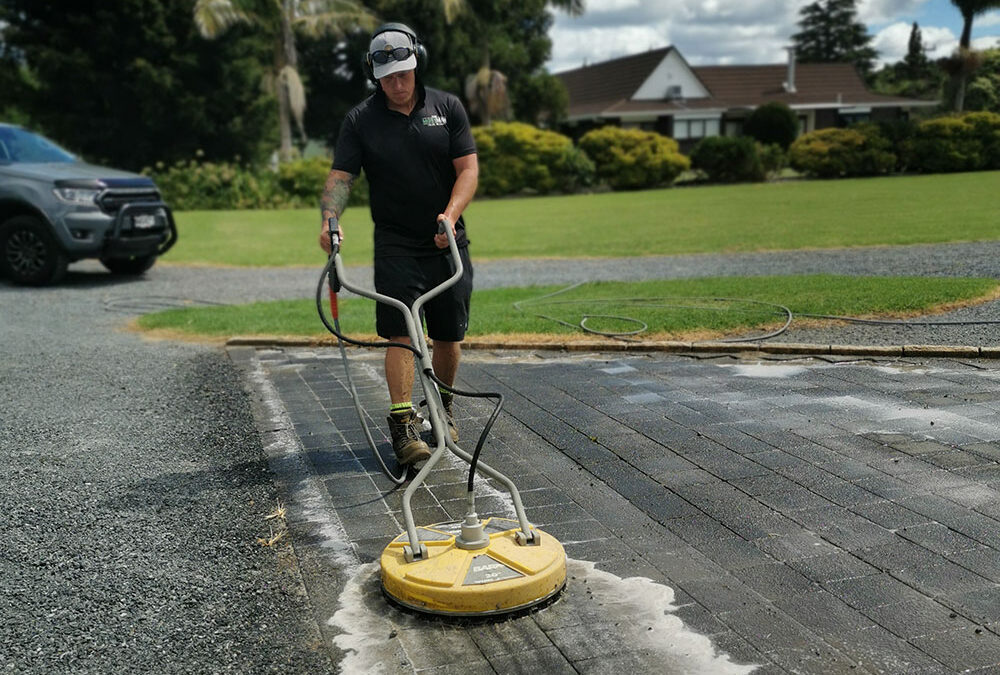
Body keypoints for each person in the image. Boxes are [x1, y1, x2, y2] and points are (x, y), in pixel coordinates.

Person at [318, 23, 478, 466]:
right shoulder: (360, 120)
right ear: (375, 75)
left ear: (417, 63)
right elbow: (341, 179)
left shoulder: (447, 107)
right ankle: (404, 424)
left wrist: (450, 213)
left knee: (449, 333)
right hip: (395, 243)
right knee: (401, 332)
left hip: (446, 239)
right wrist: (330, 219)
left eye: (404, 72)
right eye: (388, 76)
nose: (397, 82)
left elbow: (467, 169)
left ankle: (442, 408)